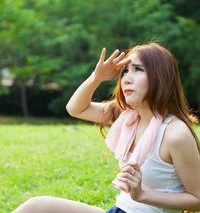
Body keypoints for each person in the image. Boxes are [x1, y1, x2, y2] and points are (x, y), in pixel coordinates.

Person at [12, 42, 200, 213]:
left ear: (161, 77)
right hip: (119, 210)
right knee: (36, 206)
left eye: (137, 69)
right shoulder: (128, 116)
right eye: (125, 71)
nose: (126, 78)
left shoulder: (175, 133)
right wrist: (97, 77)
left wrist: (142, 195)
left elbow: (197, 199)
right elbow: (75, 108)